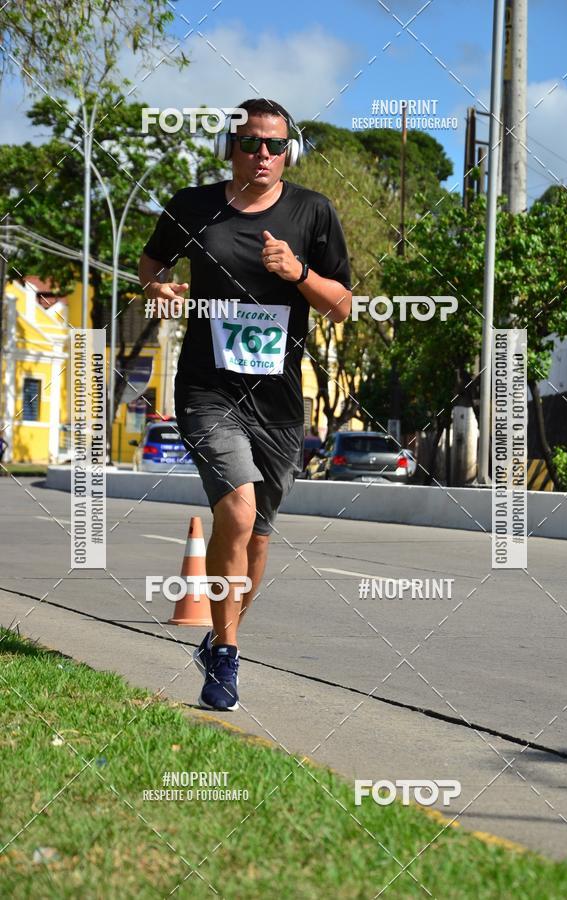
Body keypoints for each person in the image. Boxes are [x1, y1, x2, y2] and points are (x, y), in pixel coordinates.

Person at [138, 98, 352, 711]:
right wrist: (159, 287)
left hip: (279, 398)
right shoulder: (193, 206)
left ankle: (221, 638)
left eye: (276, 146)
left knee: (258, 537)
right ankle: (227, 662)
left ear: (289, 152)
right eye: (253, 143)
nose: (264, 155)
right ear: (230, 146)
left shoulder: (312, 211)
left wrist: (298, 273)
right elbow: (151, 263)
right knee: (236, 510)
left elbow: (341, 303)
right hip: (207, 388)